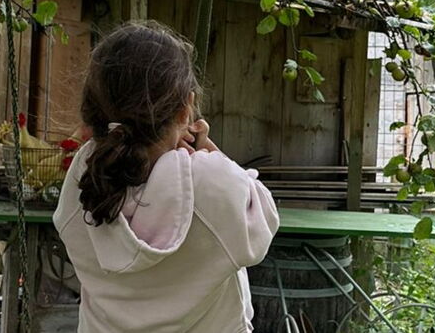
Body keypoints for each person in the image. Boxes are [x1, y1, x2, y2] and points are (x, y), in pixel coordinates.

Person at [53, 22, 280, 332]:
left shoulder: (87, 171)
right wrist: (208, 150)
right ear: (186, 110)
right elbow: (264, 216)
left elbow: (68, 226)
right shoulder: (209, 181)